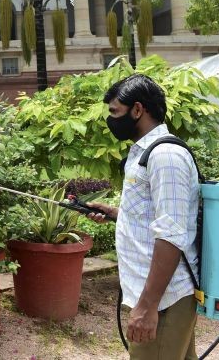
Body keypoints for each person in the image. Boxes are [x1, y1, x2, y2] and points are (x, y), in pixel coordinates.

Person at [88, 74, 199, 360]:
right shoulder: (144, 153)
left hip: (165, 300)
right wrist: (117, 214)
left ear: (138, 110)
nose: (110, 120)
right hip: (160, 298)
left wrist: (148, 306)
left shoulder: (166, 157)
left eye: (115, 112)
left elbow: (171, 236)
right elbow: (159, 217)